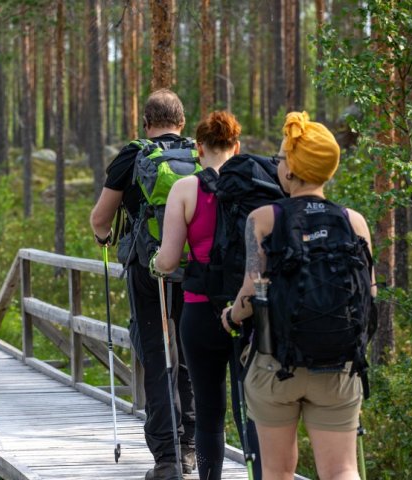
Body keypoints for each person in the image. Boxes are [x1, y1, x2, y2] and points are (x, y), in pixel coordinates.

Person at [221, 111, 377, 480]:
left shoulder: (262, 219)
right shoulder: (354, 221)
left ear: (290, 170)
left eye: (279, 160)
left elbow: (250, 293)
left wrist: (230, 316)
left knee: (276, 472)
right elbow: (369, 295)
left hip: (276, 365)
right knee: (341, 469)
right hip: (338, 366)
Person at [90, 89, 195, 480]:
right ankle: (189, 450)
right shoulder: (197, 155)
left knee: (156, 355)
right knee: (187, 355)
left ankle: (166, 459)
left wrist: (105, 239)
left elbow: (101, 219)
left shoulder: (132, 156)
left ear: (146, 123)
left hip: (147, 269)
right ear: (181, 123)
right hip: (193, 268)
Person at [152, 111, 261, 479]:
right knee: (257, 410)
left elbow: (167, 262)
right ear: (237, 146)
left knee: (210, 413)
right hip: (249, 311)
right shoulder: (254, 190)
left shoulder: (184, 189)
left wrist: (154, 262)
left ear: (198, 148)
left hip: (200, 313)